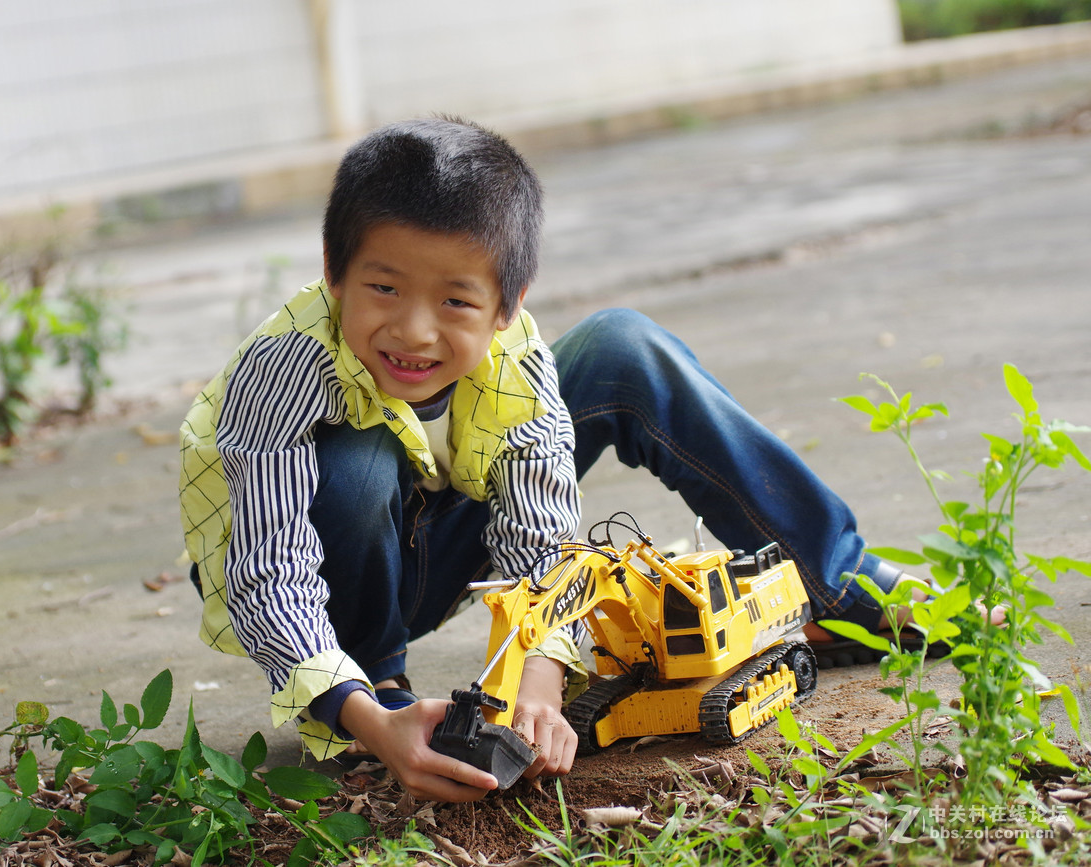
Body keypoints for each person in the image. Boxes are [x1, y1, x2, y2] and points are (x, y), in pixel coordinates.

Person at [178, 116, 912, 803]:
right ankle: (381, 694)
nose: (413, 329)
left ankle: (838, 589)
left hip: (440, 543)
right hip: (329, 577)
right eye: (383, 287)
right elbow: (267, 571)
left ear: (507, 304)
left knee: (623, 345)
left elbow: (541, 537)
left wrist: (540, 674)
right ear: (334, 273)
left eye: (456, 302)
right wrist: (365, 715)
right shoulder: (285, 367)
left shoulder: (514, 362)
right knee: (364, 458)